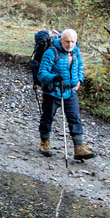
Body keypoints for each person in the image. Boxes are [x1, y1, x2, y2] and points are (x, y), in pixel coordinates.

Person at [36, 28, 96, 159]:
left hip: (70, 91)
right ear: (61, 40)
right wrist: (53, 78)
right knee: (47, 117)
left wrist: (79, 80)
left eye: (72, 42)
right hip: (53, 92)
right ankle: (44, 143)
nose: (70, 44)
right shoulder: (51, 52)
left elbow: (80, 66)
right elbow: (41, 73)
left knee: (75, 118)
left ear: (76, 41)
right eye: (67, 41)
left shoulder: (75, 51)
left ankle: (78, 148)